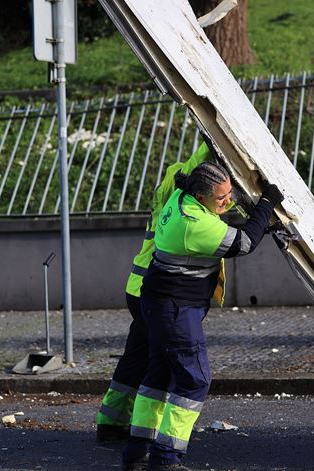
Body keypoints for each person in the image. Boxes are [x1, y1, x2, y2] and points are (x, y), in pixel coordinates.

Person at [122, 162, 284, 470]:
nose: (228, 201)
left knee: (159, 375)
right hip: (175, 310)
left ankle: (136, 453)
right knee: (194, 379)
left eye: (229, 194)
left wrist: (260, 218)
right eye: (221, 198)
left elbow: (229, 216)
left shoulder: (180, 198)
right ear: (200, 195)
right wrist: (267, 204)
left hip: (158, 303)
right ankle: (166, 460)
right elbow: (244, 242)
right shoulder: (193, 223)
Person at [97, 142, 215, 442]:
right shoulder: (176, 198)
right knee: (163, 365)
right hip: (154, 293)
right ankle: (151, 433)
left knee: (135, 358)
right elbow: (194, 167)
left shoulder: (169, 197)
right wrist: (211, 139)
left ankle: (111, 422)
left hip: (138, 289)